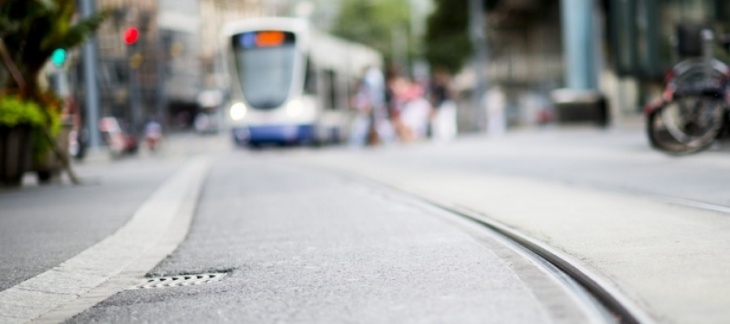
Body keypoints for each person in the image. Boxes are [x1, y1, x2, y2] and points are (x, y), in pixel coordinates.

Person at [429, 68, 457, 141]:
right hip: (444, 104)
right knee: (444, 121)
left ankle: (448, 135)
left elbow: (435, 97)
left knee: (446, 120)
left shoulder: (445, 85)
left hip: (446, 104)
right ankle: (446, 136)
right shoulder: (438, 86)